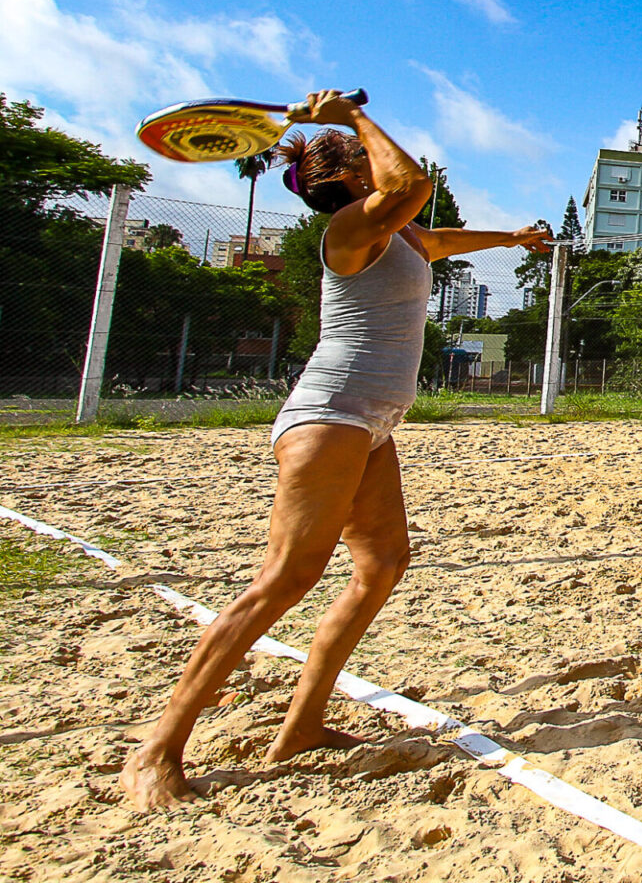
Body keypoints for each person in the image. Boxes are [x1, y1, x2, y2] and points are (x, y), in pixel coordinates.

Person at [121, 90, 552, 811]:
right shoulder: (354, 225)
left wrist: (513, 239)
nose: (370, 156)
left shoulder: (402, 234)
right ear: (349, 173)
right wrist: (350, 118)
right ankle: (157, 751)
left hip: (372, 420)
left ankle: (302, 724)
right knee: (283, 582)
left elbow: (440, 238)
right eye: (360, 154)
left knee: (383, 563)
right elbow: (412, 184)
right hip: (331, 417)